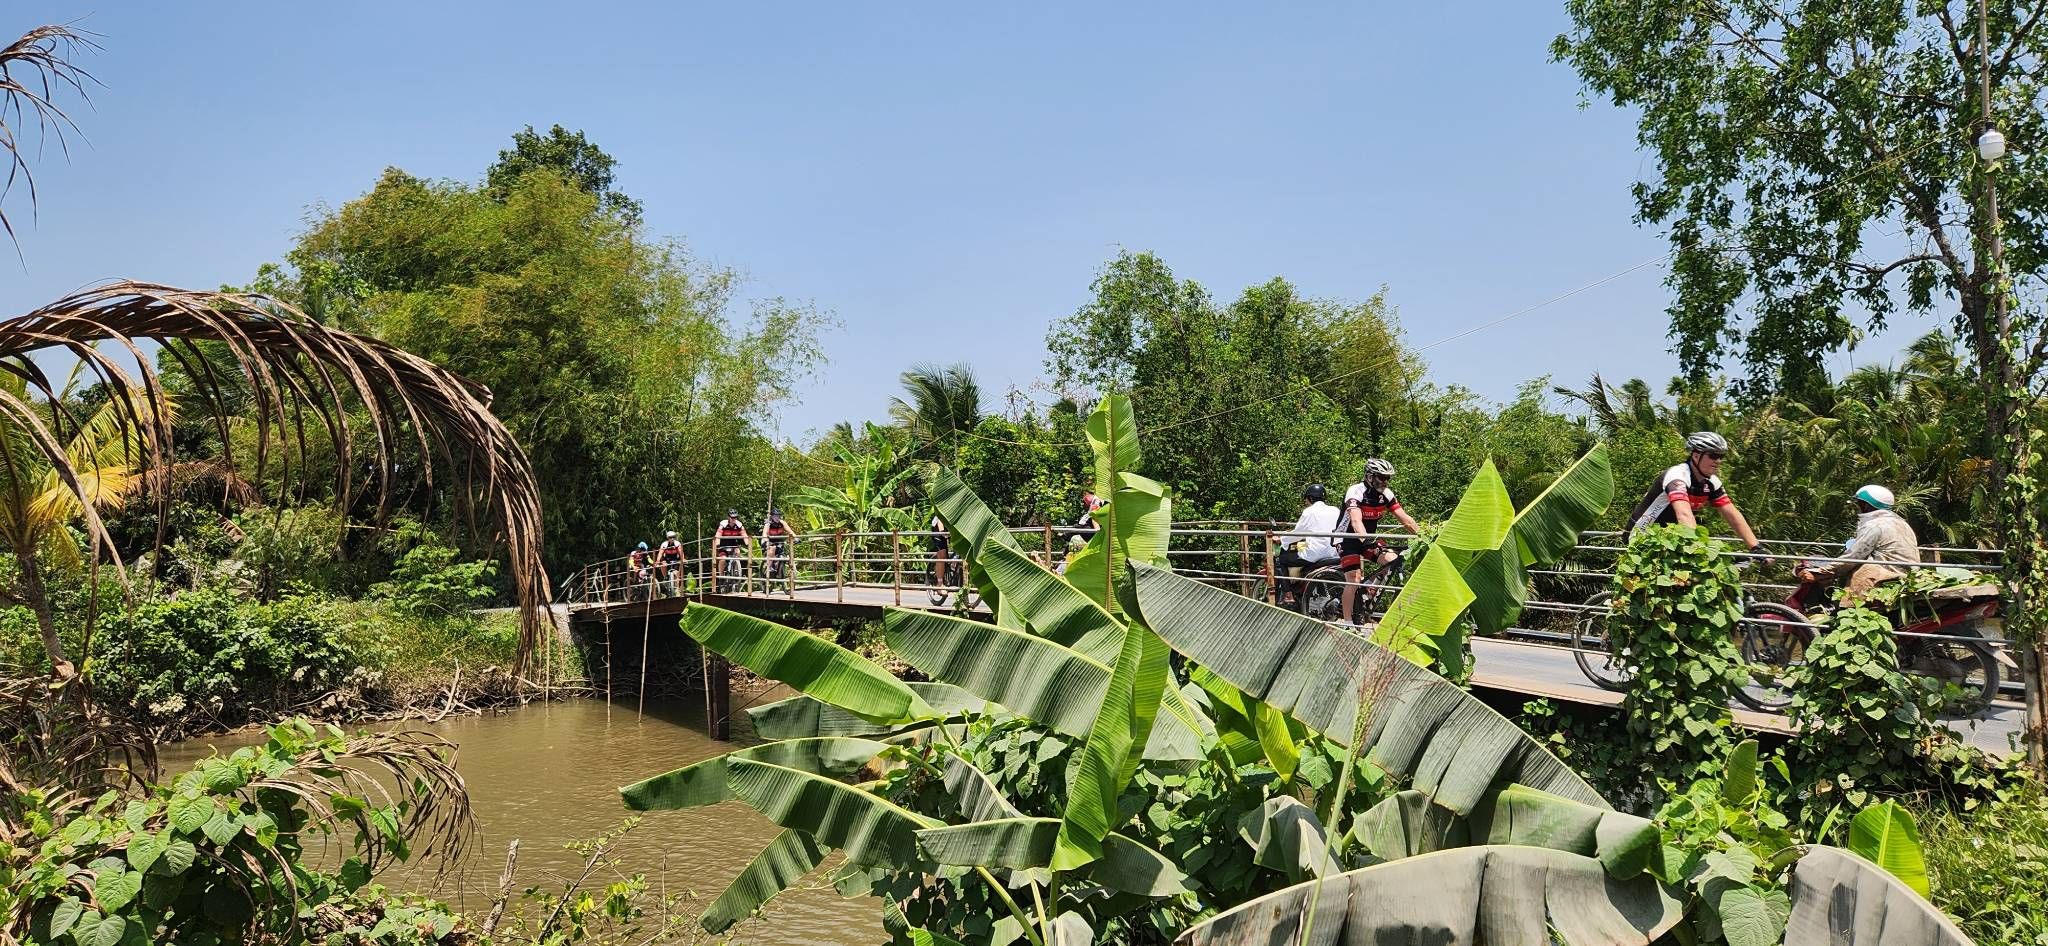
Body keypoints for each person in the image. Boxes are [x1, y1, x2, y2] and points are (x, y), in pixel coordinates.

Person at [1625, 431, 1762, 554]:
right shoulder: (1677, 477)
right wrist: (1698, 549)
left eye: (1721, 456)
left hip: (1669, 539)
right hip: (1642, 536)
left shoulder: (1711, 482)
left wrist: (1755, 547)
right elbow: (1684, 515)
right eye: (1713, 456)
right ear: (1696, 456)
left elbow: (1732, 515)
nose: (1718, 461)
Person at [1795, 485, 1919, 606]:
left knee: (1852, 574)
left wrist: (1820, 572)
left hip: (1888, 573)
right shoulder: (1901, 523)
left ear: (1865, 505)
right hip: (1906, 574)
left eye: (1859, 504)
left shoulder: (1875, 525)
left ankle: (1844, 610)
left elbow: (1853, 556)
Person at [1340, 459, 1421, 624]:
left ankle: (1368, 588)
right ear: (1370, 476)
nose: (1385, 481)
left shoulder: (1387, 494)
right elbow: (1356, 521)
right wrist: (1365, 539)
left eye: (1387, 478)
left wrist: (1424, 536)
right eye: (1381, 477)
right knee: (1353, 579)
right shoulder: (1356, 491)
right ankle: (1347, 622)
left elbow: (1405, 519)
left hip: (1368, 539)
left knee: (1394, 560)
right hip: (1348, 539)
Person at [1274, 483, 1341, 607]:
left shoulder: (1309, 511)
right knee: (1300, 548)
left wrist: (1281, 540)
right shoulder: (1335, 510)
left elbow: (1298, 533)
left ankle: (1288, 594)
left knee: (1280, 560)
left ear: (1310, 498)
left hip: (1315, 552)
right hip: (1334, 552)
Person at [714, 510, 750, 584]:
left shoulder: (739, 525)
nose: (734, 519)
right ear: (728, 518)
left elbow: (744, 534)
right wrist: (717, 543)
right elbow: (718, 534)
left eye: (735, 517)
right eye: (732, 517)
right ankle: (721, 576)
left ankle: (736, 571)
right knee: (723, 559)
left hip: (733, 545)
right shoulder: (723, 524)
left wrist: (747, 543)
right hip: (723, 546)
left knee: (738, 553)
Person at [762, 508, 793, 579]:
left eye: (778, 516)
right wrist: (766, 540)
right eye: (776, 516)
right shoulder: (768, 523)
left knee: (786, 551)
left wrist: (796, 538)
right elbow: (764, 533)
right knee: (773, 548)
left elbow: (790, 531)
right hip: (769, 541)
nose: (777, 517)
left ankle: (783, 570)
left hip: (779, 541)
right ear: (772, 516)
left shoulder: (782, 523)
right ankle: (768, 568)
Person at [928, 513, 952, 589]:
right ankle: (939, 583)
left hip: (948, 529)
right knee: (942, 555)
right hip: (938, 528)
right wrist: (942, 531)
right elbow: (940, 518)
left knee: (946, 557)